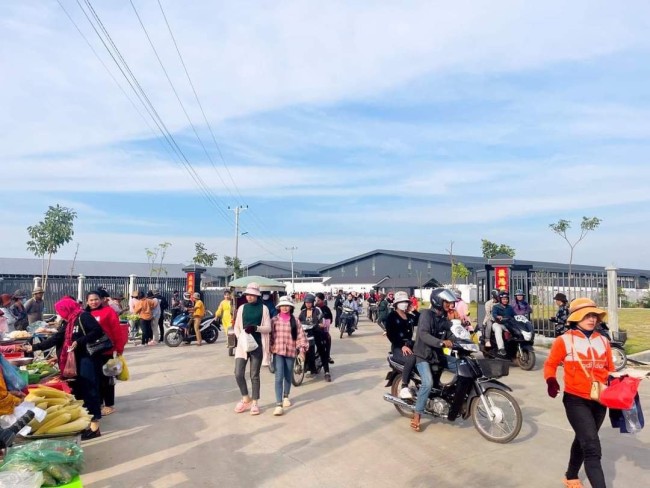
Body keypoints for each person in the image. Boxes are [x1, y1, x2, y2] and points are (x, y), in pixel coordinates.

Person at [544, 298, 614, 488]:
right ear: (576, 317)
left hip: (600, 399)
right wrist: (551, 380)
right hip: (575, 400)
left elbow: (610, 370)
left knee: (583, 439)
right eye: (586, 315)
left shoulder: (603, 341)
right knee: (592, 447)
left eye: (594, 315)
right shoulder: (564, 340)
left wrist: (623, 382)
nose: (592, 319)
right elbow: (550, 364)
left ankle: (571, 475)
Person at [26, 296, 105, 439]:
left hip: (87, 360)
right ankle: (86, 423)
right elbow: (57, 338)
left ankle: (95, 428)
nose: (59, 314)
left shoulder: (83, 316)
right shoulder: (69, 321)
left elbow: (97, 331)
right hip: (75, 361)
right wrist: (35, 347)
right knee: (80, 392)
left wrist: (79, 341)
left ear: (67, 308)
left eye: (60, 311)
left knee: (90, 391)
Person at [410, 288, 456, 432]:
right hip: (423, 356)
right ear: (438, 301)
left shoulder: (443, 318)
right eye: (446, 302)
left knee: (461, 366)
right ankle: (417, 414)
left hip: (437, 355)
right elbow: (423, 334)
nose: (449, 305)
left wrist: (462, 340)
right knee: (428, 383)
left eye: (450, 302)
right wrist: (441, 343)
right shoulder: (426, 314)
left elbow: (451, 334)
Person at [85, 290, 128, 417]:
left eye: (96, 299)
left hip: (106, 350)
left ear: (101, 300)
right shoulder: (85, 314)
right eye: (91, 300)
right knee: (95, 379)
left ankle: (109, 405)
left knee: (107, 378)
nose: (94, 302)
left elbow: (116, 330)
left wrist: (119, 348)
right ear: (87, 301)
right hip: (91, 352)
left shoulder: (108, 311)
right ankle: (99, 403)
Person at [233, 283, 271, 415]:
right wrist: (241, 337)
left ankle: (255, 402)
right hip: (242, 346)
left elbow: (268, 328)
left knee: (254, 375)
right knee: (238, 373)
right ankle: (245, 398)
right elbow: (236, 326)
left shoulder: (264, 308)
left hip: (257, 345)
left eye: (252, 295)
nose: (249, 297)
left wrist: (256, 328)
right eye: (247, 294)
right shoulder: (242, 308)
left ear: (257, 296)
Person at [270, 296, 309, 416]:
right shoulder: (274, 320)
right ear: (279, 307)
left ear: (291, 307)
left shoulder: (295, 321)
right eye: (282, 305)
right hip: (278, 352)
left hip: (291, 352)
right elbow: (270, 336)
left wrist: (302, 351)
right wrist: (268, 350)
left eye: (287, 305)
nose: (285, 308)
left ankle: (286, 396)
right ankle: (278, 404)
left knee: (287, 375)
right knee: (278, 377)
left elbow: (301, 336)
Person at [385, 291, 418, 400]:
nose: (404, 303)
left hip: (410, 344)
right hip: (398, 347)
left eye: (406, 302)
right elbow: (390, 334)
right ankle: (404, 386)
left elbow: (421, 321)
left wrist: (414, 311)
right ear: (396, 303)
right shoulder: (392, 316)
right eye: (402, 302)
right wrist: (401, 346)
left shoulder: (409, 316)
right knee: (411, 358)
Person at [299, 294, 331, 381]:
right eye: (306, 302)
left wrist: (320, 324)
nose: (308, 304)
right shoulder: (303, 311)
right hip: (306, 334)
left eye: (309, 302)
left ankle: (327, 372)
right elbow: (299, 321)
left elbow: (322, 321)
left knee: (322, 351)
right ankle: (309, 367)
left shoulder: (317, 310)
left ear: (313, 302)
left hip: (317, 333)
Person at [492, 291, 515, 357]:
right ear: (500, 300)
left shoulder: (510, 307)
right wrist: (497, 316)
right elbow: (494, 314)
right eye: (503, 299)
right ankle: (501, 349)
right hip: (498, 324)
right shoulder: (496, 307)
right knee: (498, 329)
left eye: (506, 299)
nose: (505, 300)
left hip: (508, 325)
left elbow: (514, 315)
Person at [315, 292, 334, 364]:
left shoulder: (326, 309)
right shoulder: (312, 308)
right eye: (315, 300)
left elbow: (331, 319)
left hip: (323, 329)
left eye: (318, 300)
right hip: (312, 329)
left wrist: (326, 322)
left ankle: (328, 356)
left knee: (328, 338)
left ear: (323, 300)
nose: (316, 302)